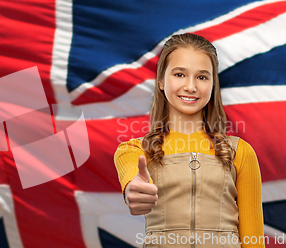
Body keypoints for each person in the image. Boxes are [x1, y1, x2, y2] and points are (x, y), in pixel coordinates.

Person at [113, 33, 265, 247]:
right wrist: (134, 191)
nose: (191, 87)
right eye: (179, 74)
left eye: (202, 77)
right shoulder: (135, 150)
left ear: (213, 85)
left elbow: (253, 240)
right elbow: (133, 183)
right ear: (161, 81)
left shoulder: (241, 152)